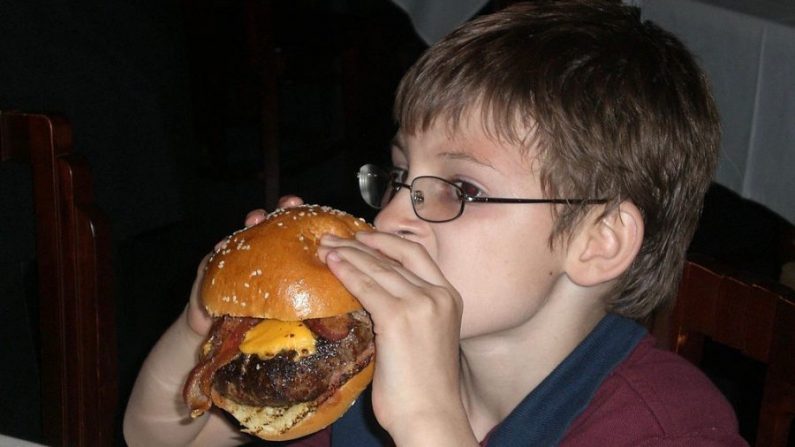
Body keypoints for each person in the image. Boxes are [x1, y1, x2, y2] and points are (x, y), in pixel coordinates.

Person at [124, 1, 748, 445]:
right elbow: (161, 438)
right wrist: (203, 322)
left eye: (461, 188)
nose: (393, 215)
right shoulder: (354, 355)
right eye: (399, 177)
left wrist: (427, 420)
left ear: (598, 240)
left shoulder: (667, 427)